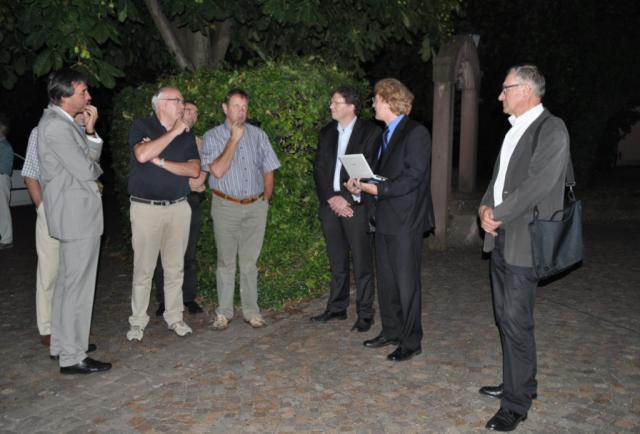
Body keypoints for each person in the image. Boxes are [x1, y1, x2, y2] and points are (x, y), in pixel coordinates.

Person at [478, 65, 570, 431]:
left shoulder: (552, 129)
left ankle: (515, 405)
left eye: (506, 88)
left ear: (526, 91)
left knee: (516, 320)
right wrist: (484, 209)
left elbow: (538, 185)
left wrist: (497, 214)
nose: (500, 95)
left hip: (524, 241)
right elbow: (496, 180)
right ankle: (519, 383)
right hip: (501, 236)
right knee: (506, 317)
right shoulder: (513, 130)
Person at [345, 78, 434, 362]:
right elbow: (379, 176)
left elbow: (413, 177)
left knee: (406, 284)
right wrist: (360, 186)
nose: (373, 104)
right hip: (382, 219)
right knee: (386, 282)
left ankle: (411, 340)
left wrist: (379, 189)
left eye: (376, 99)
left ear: (388, 100)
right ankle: (392, 331)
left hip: (406, 221)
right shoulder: (384, 135)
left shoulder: (415, 132)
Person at [37, 69, 110, 374]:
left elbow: (86, 159)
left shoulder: (65, 122)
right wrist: (94, 166)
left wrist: (90, 131)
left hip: (75, 215)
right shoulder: (56, 127)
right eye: (83, 92)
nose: (88, 96)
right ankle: (73, 355)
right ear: (65, 96)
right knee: (78, 288)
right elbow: (86, 169)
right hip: (75, 217)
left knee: (69, 285)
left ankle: (63, 345)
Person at [201, 88, 280, 330]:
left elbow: (269, 168)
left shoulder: (258, 135)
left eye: (244, 107)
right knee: (226, 261)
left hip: (255, 206)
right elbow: (217, 170)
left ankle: (251, 312)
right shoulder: (213, 136)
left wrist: (265, 200)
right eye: (236, 106)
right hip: (225, 205)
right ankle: (224, 312)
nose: (241, 111)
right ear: (225, 108)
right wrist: (234, 139)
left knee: (249, 262)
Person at [126, 86, 200, 342]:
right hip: (146, 208)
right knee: (143, 269)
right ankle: (137, 321)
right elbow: (142, 154)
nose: (183, 106)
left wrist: (160, 161)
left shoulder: (187, 134)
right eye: (178, 101)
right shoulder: (142, 126)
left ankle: (175, 317)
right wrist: (173, 133)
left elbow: (193, 170)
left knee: (175, 268)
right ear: (161, 104)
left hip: (178, 207)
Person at [311, 86, 380, 332]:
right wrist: (332, 198)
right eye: (331, 102)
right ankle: (337, 307)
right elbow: (319, 168)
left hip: (356, 206)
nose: (331, 106)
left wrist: (346, 199)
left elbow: (369, 169)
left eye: (336, 102)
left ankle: (365, 313)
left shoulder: (370, 132)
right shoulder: (327, 132)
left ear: (351, 106)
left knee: (362, 262)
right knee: (337, 260)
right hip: (330, 205)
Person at [22, 113, 88, 348]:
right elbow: (30, 174)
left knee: (76, 275)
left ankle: (71, 331)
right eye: (82, 98)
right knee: (50, 271)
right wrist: (42, 208)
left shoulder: (84, 133)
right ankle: (48, 327)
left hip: (80, 214)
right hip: (51, 210)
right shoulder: (41, 131)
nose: (87, 104)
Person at [153, 100, 207, 316]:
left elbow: (200, 176)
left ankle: (188, 297)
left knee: (189, 251)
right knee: (163, 252)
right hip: (167, 199)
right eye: (188, 110)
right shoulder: (165, 138)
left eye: (196, 113)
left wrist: (190, 178)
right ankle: (164, 299)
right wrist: (186, 178)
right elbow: (161, 173)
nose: (192, 115)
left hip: (191, 201)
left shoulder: (200, 142)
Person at [0, 114, 14, 249]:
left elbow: (4, 167)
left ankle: (7, 239)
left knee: (3, 210)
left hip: (1, 179)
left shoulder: (5, 146)